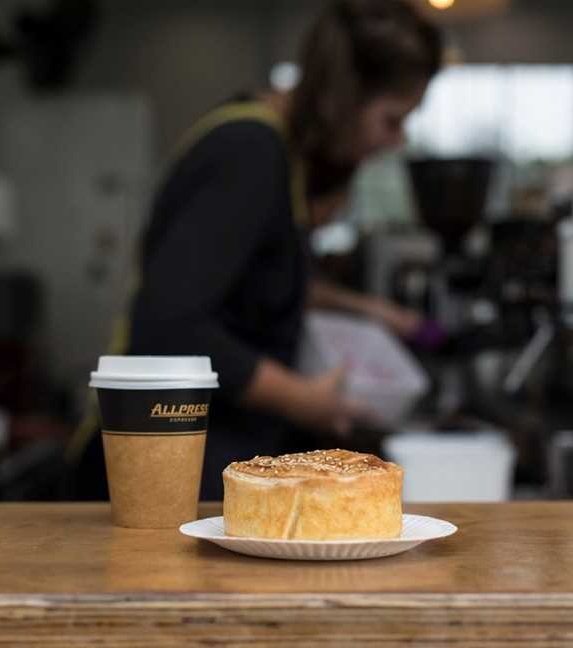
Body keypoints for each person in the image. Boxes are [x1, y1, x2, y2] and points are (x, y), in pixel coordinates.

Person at [69, 0, 443, 500]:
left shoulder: (274, 153)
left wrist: (374, 311)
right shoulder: (248, 153)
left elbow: (261, 285)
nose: (398, 141)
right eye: (392, 119)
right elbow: (169, 325)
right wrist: (303, 401)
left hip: (197, 467)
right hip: (158, 478)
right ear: (343, 99)